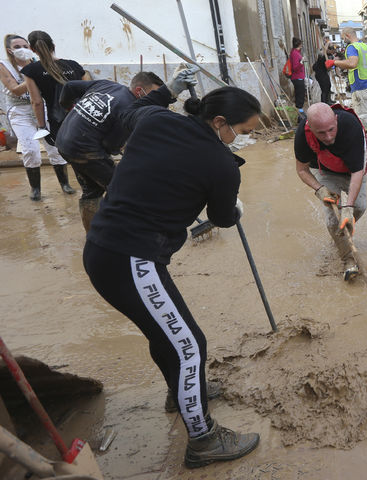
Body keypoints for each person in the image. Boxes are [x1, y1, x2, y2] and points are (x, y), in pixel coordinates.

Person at [82, 71, 262, 469]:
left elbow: (138, 105)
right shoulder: (220, 163)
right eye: (243, 131)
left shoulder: (158, 120)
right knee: (189, 345)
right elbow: (222, 217)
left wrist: (170, 91)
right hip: (132, 259)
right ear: (219, 123)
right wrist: (234, 207)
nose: (243, 138)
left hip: (104, 248)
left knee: (166, 335)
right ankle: (203, 440)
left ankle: (180, 394)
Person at [55, 72, 165, 232]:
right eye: (153, 94)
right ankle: (135, 233)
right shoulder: (128, 109)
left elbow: (70, 87)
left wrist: (68, 107)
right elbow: (110, 146)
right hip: (85, 151)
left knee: (92, 191)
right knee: (124, 189)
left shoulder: (107, 85)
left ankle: (92, 234)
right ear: (139, 90)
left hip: (63, 141)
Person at [295, 102, 367, 281]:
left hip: (353, 169)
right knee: (333, 220)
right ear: (310, 127)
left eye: (331, 129)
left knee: (359, 207)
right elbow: (302, 170)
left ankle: (342, 233)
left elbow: (357, 171)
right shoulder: (302, 137)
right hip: (325, 170)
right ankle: (348, 260)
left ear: (336, 119)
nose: (327, 137)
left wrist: (348, 207)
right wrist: (320, 190)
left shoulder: (351, 126)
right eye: (321, 132)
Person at [1, 34, 74, 200]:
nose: (23, 50)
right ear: (9, 51)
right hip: (20, 112)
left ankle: (65, 184)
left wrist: (39, 71)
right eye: (17, 47)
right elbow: (15, 90)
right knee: (30, 150)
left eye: (26, 46)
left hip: (43, 108)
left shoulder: (36, 64)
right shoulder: (4, 65)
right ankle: (36, 189)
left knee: (56, 147)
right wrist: (36, 75)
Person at [325, 27, 367, 160]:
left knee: (365, 122)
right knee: (364, 118)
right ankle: (363, 146)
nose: (343, 40)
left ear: (347, 36)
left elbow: (352, 63)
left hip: (361, 88)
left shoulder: (352, 48)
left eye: (343, 38)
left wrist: (334, 62)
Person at [21, 31, 88, 143]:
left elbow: (36, 102)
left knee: (69, 153)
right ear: (53, 46)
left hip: (59, 120)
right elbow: (88, 91)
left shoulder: (31, 70)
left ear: (32, 49)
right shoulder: (74, 65)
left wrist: (42, 128)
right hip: (84, 117)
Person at [289, 37, 306, 118]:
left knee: (301, 94)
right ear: (299, 44)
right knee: (300, 95)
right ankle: (300, 114)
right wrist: (301, 62)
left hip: (300, 76)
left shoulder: (296, 52)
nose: (302, 45)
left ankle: (300, 112)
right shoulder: (295, 53)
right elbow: (295, 67)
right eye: (301, 44)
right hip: (297, 77)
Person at [313, 39, 333, 105]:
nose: (332, 52)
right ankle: (324, 103)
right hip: (320, 74)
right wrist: (327, 44)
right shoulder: (322, 54)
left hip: (324, 73)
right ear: (327, 49)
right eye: (331, 50)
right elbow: (324, 51)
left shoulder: (329, 55)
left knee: (328, 85)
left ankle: (328, 100)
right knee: (324, 88)